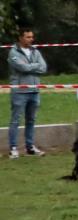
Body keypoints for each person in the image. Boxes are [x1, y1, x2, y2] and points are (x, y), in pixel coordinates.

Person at [7, 27, 47, 158]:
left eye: (32, 37)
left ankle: (30, 147)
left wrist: (31, 67)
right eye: (28, 37)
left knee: (31, 120)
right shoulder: (13, 52)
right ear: (20, 38)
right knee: (15, 120)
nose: (31, 39)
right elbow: (22, 68)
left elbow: (44, 68)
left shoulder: (35, 51)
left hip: (34, 90)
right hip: (19, 91)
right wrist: (35, 66)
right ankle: (13, 148)